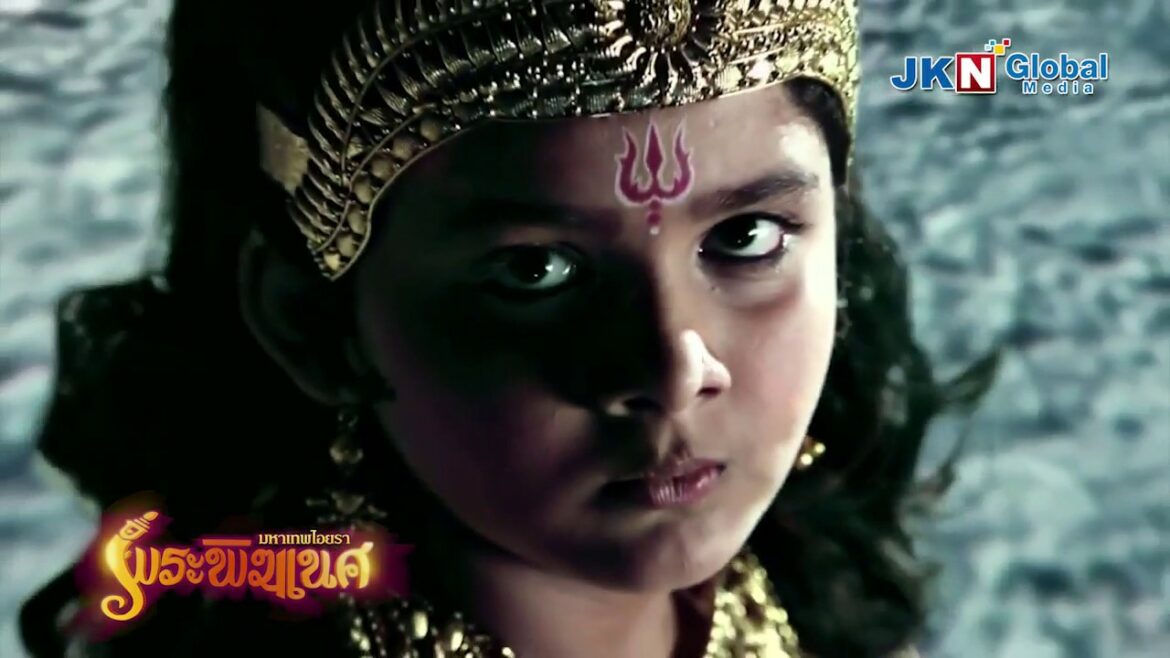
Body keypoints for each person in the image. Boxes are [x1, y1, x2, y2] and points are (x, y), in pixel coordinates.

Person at [19, 0, 997, 656]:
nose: (675, 366)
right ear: (312, 321)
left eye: (745, 238)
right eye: (536, 271)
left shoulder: (810, 600)